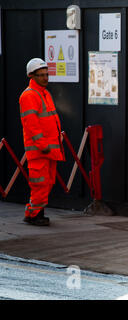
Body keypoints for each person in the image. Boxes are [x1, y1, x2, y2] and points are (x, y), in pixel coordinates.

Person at [19, 58, 65, 226]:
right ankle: (33, 215)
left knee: (47, 183)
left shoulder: (43, 93)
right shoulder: (29, 95)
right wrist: (43, 145)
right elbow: (31, 125)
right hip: (40, 150)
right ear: (32, 76)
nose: (46, 78)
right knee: (40, 184)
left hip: (49, 149)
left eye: (47, 74)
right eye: (41, 75)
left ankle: (35, 213)